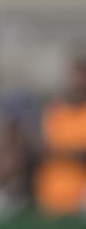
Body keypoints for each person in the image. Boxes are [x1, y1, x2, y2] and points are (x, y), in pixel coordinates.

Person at [33, 53, 86, 216]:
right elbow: (41, 148)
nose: (76, 81)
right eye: (73, 75)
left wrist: (60, 152)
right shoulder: (53, 111)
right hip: (51, 200)